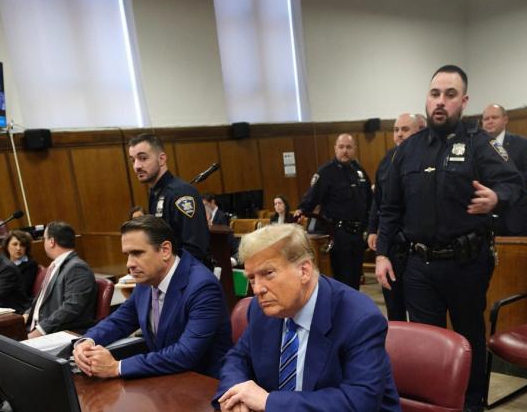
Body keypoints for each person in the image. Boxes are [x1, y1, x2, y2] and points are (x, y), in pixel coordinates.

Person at [376, 65, 525, 411]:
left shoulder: (479, 144)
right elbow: (390, 208)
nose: (440, 101)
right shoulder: (407, 150)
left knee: (468, 339)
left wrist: (496, 197)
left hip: (466, 264)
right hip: (419, 266)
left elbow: (514, 184)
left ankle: (470, 404)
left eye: (450, 94)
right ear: (427, 99)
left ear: (464, 101)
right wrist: (382, 253)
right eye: (435, 94)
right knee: (426, 343)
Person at [213, 224, 400, 412]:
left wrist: (269, 402)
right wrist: (237, 395)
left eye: (268, 273)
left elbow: (359, 402)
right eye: (252, 278)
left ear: (304, 271)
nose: (257, 289)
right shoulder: (260, 309)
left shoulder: (359, 318)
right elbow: (237, 358)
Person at [73, 215, 232, 379]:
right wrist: (88, 341)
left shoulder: (203, 287)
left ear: (165, 250)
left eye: (137, 253)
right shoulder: (147, 279)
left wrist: (117, 367)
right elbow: (120, 321)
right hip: (164, 377)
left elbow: (186, 354)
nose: (129, 264)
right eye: (127, 255)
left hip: (203, 382)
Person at [295, 133, 372, 290]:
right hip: (338, 234)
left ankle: (352, 305)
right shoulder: (326, 172)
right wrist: (301, 210)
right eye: (341, 147)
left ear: (355, 149)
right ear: (335, 149)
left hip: (358, 235)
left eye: (349, 147)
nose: (345, 151)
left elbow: (369, 201)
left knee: (355, 277)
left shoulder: (359, 171)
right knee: (342, 279)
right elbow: (311, 197)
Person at [367, 113, 423, 322]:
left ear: (419, 131)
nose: (399, 134)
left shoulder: (426, 158)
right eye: (396, 130)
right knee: (394, 304)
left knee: (418, 308)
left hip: (417, 245)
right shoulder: (387, 161)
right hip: (392, 242)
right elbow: (379, 200)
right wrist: (373, 229)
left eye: (405, 129)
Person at [128, 133, 213, 269]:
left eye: (143, 158)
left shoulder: (182, 193)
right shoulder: (156, 193)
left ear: (162, 159)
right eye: (133, 160)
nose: (137, 166)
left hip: (190, 275)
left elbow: (195, 249)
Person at [480, 104, 527, 236]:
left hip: (517, 215)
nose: (490, 121)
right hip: (485, 217)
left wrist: (510, 183)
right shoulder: (476, 146)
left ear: (505, 119)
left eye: (494, 117)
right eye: (486, 119)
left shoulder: (522, 144)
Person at [26, 221, 97, 337]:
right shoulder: (55, 266)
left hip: (58, 332)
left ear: (51, 241)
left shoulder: (77, 268)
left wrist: (40, 330)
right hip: (35, 327)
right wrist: (27, 314)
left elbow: (71, 307)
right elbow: (42, 300)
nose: (43, 242)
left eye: (44, 239)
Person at [1, 229, 37, 294]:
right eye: (15, 244)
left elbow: (24, 289)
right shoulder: (1, 261)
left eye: (22, 245)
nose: (18, 248)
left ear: (26, 248)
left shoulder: (30, 264)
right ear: (7, 246)